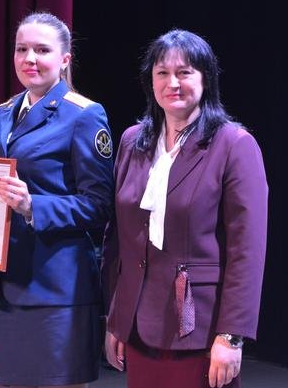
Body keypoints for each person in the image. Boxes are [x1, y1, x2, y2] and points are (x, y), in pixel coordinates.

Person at [102, 29, 268, 388]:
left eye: (184, 72)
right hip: (139, 323)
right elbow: (120, 239)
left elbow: (247, 251)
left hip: (199, 328)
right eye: (162, 72)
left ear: (205, 79)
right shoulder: (133, 141)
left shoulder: (234, 145)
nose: (172, 83)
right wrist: (116, 320)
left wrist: (231, 335)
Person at [0, 11, 114, 388]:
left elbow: (99, 205)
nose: (29, 58)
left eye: (42, 50)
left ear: (65, 59)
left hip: (57, 289)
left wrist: (34, 207)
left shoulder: (84, 115)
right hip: (9, 285)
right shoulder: (2, 114)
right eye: (21, 49)